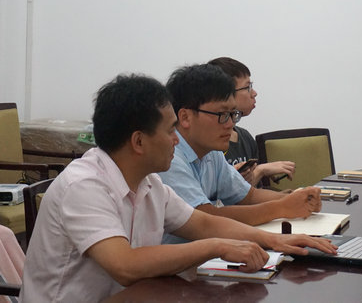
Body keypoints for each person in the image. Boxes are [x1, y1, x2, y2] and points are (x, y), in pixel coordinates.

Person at [19, 74, 335, 302]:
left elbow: (204, 223)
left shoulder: (149, 182)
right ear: (138, 141)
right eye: (171, 130)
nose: (176, 140)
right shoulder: (84, 186)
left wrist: (275, 240)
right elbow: (125, 265)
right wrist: (216, 246)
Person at [158, 64, 322, 237]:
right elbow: (205, 218)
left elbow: (248, 196)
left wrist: (300, 198)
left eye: (233, 114)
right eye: (222, 115)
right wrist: (281, 207)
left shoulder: (211, 151)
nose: (230, 124)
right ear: (185, 117)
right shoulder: (169, 157)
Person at [208, 57, 295, 186]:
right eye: (247, 87)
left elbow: (253, 192)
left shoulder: (245, 137)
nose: (254, 93)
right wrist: (260, 171)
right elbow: (225, 193)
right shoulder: (209, 144)